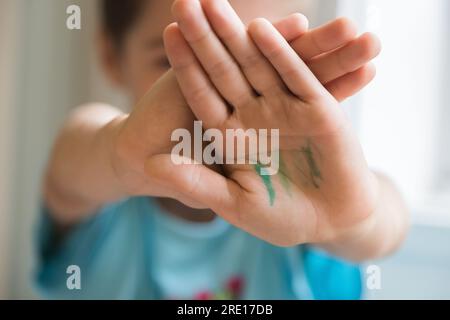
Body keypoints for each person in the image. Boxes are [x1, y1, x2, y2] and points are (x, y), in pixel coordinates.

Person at [36, 0, 408, 299]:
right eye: (173, 62)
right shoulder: (103, 199)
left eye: (261, 65)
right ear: (111, 57)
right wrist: (119, 153)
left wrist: (357, 222)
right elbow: (73, 161)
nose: (218, 92)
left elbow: (388, 216)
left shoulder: (306, 205)